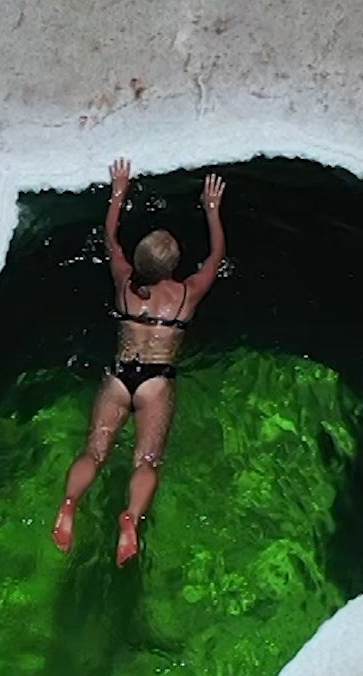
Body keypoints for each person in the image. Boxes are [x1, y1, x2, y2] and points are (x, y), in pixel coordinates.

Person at [52, 158, 226, 566]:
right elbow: (217, 256)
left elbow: (110, 238)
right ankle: (130, 516)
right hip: (155, 382)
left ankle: (70, 501)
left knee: (94, 451)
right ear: (172, 266)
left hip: (118, 376)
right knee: (146, 460)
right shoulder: (186, 294)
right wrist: (212, 210)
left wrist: (119, 191)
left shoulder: (123, 279)